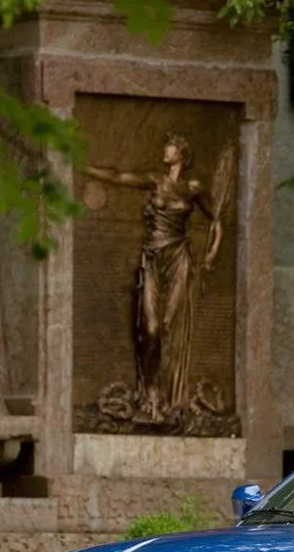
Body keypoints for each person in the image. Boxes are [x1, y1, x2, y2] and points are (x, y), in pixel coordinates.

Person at [85, 133, 222, 420]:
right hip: (154, 257)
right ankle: (150, 393)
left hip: (179, 258)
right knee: (151, 328)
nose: (164, 150)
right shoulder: (154, 180)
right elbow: (119, 177)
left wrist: (211, 253)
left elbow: (217, 220)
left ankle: (169, 398)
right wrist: (82, 167)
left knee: (171, 324)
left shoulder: (194, 187)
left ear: (181, 153)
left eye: (169, 147)